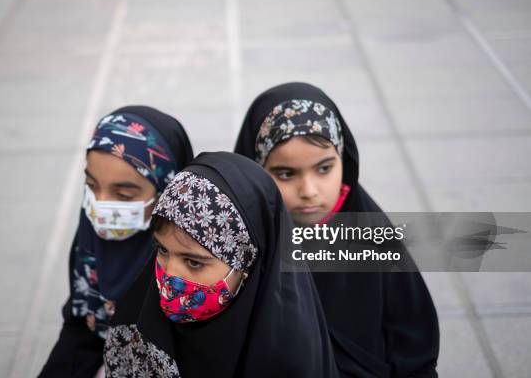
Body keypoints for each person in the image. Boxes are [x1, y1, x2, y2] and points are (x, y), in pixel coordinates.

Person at [234, 82, 440, 377]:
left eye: (324, 168)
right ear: (256, 171)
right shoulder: (241, 241)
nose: (309, 191)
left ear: (344, 159)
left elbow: (413, 338)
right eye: (285, 173)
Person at [104, 152, 340, 378]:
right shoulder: (138, 327)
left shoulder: (288, 358)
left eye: (194, 263)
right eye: (162, 250)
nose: (169, 275)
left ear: (248, 265)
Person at [39, 106, 193, 378]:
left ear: (166, 193)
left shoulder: (191, 261)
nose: (100, 206)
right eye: (92, 186)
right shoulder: (90, 240)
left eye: (123, 195)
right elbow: (82, 328)